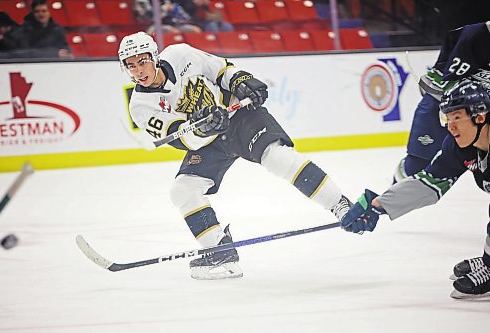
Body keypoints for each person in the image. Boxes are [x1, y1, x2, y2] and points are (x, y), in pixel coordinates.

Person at [118, 31, 351, 280]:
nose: (138, 71)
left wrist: (242, 81)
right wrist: (204, 129)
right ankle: (220, 251)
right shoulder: (140, 106)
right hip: (206, 143)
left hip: (239, 118)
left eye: (142, 62)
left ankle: (339, 203)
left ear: (154, 57)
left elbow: (220, 70)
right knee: (182, 190)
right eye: (131, 66)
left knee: (276, 157)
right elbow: (181, 139)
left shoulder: (180, 54)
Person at [341, 80, 490, 299]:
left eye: (457, 117)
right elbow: (428, 183)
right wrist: (377, 205)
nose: (450, 126)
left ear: (480, 116)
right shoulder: (459, 147)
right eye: (447, 118)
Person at [394, 21, 490, 184]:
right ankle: (381, 204)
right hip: (442, 106)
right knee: (417, 164)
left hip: (476, 116)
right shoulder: (475, 35)